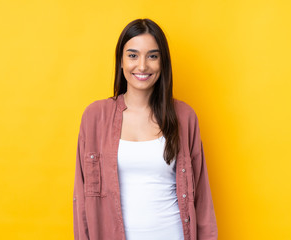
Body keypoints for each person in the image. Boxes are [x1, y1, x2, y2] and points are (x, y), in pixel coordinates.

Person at [73, 18, 218, 240]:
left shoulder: (185, 117)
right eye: (132, 55)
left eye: (152, 56)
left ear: (163, 63)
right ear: (120, 62)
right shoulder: (95, 117)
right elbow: (82, 200)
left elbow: (202, 200)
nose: (142, 66)